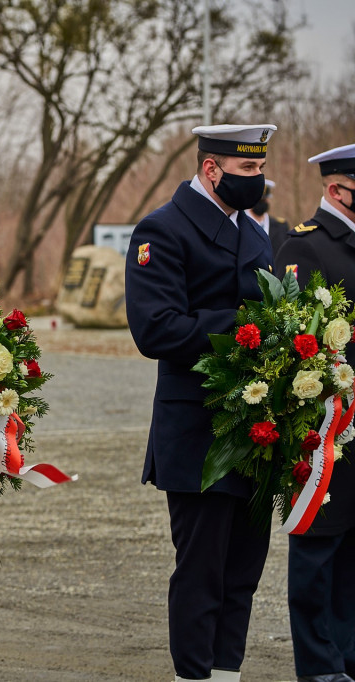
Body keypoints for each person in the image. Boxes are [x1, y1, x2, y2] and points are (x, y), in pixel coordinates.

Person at [125, 123, 278, 682]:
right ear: (211, 169)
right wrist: (246, 328)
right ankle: (193, 675)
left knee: (243, 572)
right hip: (199, 431)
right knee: (202, 572)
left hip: (255, 428)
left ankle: (226, 674)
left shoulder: (253, 231)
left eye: (259, 169)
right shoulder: (163, 230)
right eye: (246, 171)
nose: (256, 180)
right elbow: (157, 330)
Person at [274, 142, 355, 682]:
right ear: (336, 189)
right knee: (320, 546)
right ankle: (320, 665)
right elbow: (295, 337)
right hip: (327, 426)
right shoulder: (305, 247)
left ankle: (348, 657)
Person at [245, 178, 290, 256]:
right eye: (258, 201)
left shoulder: (281, 227)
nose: (261, 203)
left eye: (264, 200)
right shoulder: (239, 224)